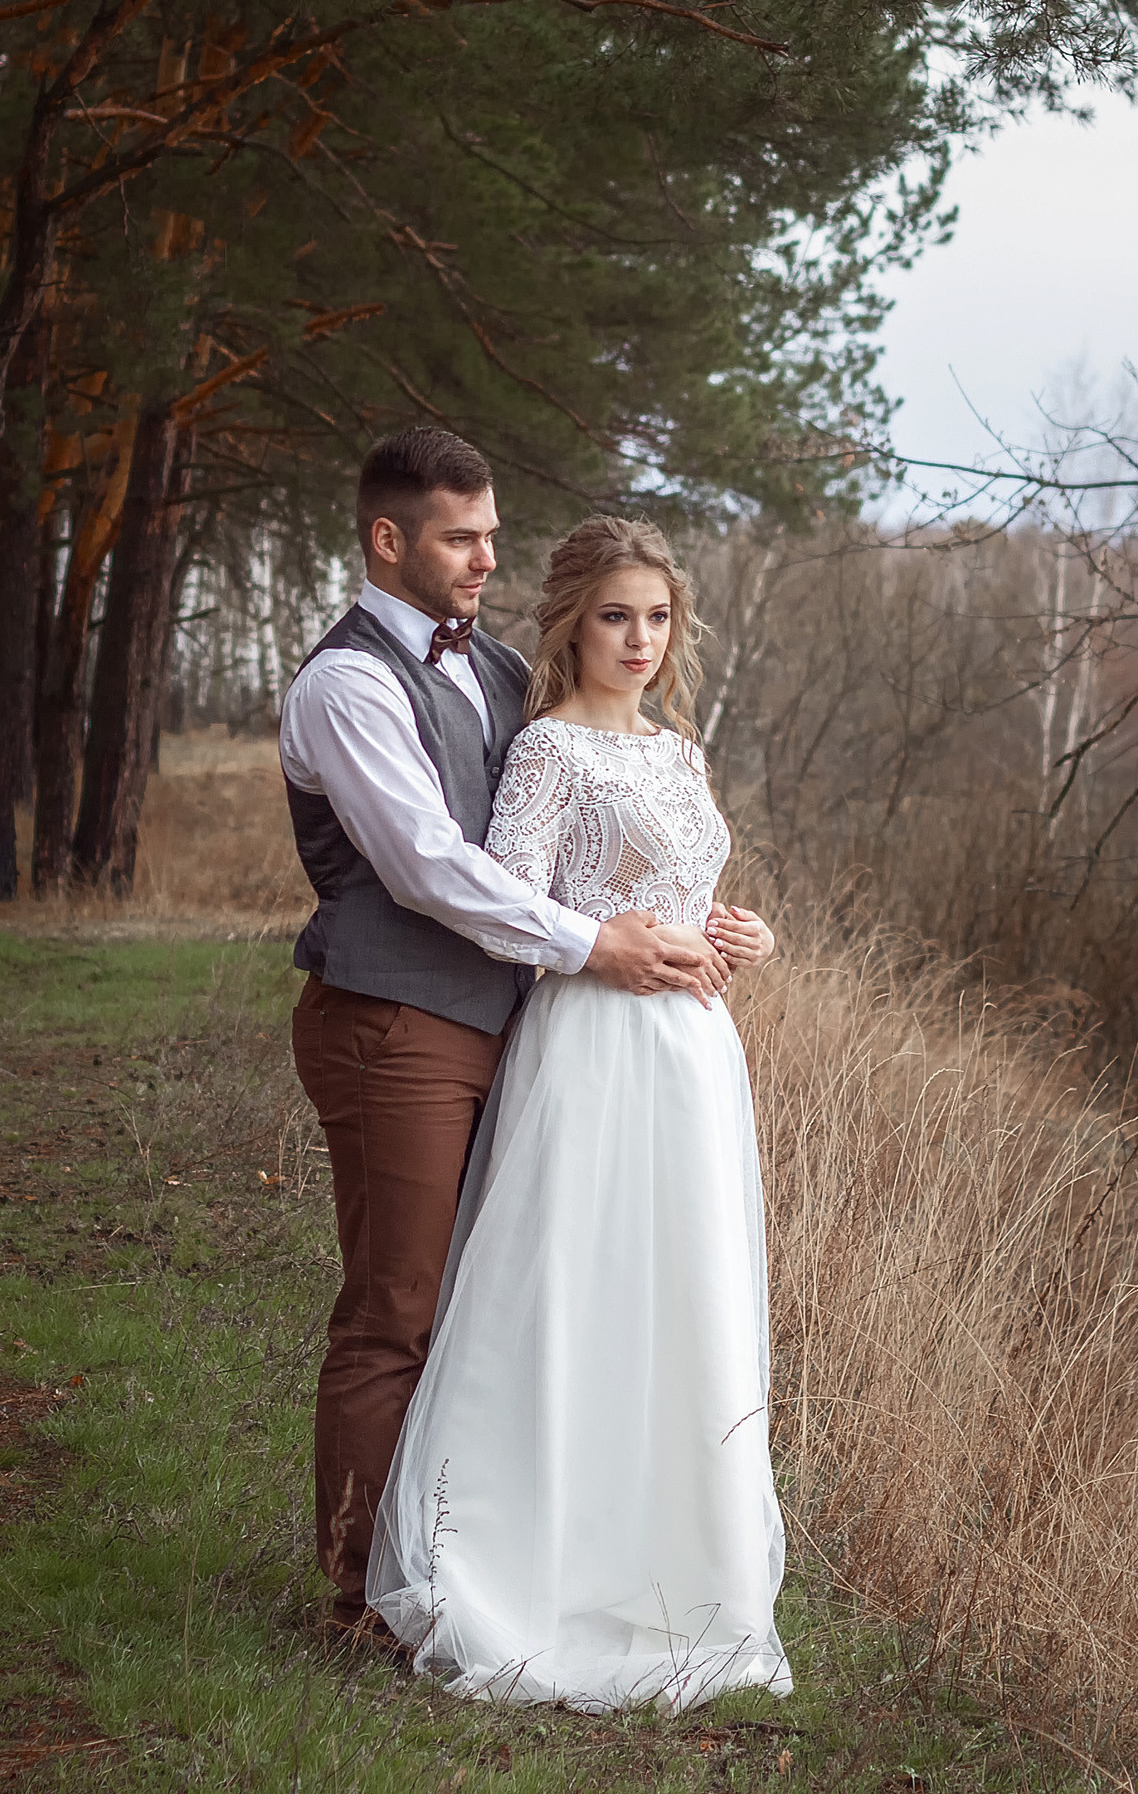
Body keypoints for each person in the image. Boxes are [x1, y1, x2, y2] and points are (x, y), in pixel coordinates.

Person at [279, 430, 728, 1637]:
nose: (488, 558)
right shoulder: (347, 685)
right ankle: (360, 1591)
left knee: (494, 1300)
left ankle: (468, 1552)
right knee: (398, 1307)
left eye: (491, 534)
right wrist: (595, 948)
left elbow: (571, 840)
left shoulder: (486, 673)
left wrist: (681, 922)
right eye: (460, 537)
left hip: (511, 1031)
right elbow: (430, 869)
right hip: (396, 1023)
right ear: (388, 540)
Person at [367, 515, 789, 1713]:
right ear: (571, 622)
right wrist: (609, 950)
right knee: (577, 1287)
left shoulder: (680, 752)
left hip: (695, 1058)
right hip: (595, 1046)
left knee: (685, 1292)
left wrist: (734, 931)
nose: (640, 639)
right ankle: (529, 1566)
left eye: (657, 617)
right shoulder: (548, 750)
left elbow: (679, 894)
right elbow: (510, 902)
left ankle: (675, 1563)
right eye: (616, 615)